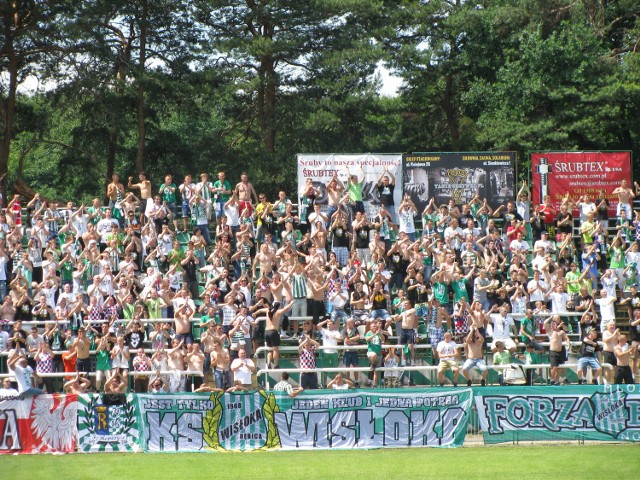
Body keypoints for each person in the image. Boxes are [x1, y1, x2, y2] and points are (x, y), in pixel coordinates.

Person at [544, 315, 571, 385]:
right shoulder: (550, 332)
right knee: (554, 367)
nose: (554, 325)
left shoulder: (561, 332)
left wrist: (568, 346)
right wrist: (551, 317)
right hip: (553, 351)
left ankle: (556, 380)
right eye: (553, 324)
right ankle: (552, 380)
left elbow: (567, 338)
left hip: (560, 351)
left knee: (559, 367)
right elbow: (545, 323)